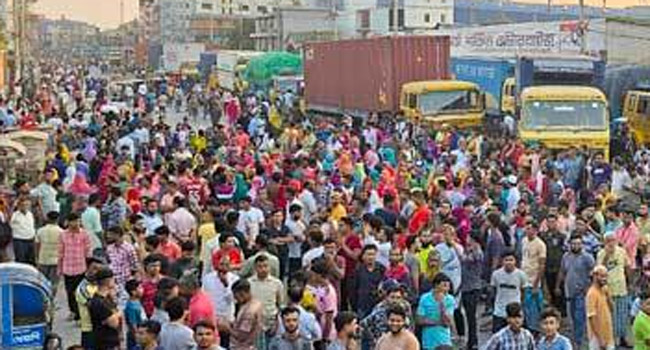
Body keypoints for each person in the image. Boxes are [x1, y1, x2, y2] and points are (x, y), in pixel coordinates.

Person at [556, 234, 595, 349]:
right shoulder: (566, 256)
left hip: (581, 292)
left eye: (578, 243)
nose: (576, 246)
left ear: (582, 244)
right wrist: (558, 286)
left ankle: (578, 342)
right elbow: (562, 271)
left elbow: (594, 273)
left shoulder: (587, 257)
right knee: (572, 317)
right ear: (570, 244)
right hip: (569, 291)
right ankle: (576, 337)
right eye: (573, 243)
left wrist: (589, 288)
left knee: (579, 317)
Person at [596, 232, 631, 347]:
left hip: (621, 287)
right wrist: (607, 255)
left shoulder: (622, 251)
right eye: (608, 240)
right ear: (605, 242)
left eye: (613, 240)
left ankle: (623, 338)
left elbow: (627, 266)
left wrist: (629, 282)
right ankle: (612, 339)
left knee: (623, 314)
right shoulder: (601, 253)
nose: (611, 243)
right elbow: (599, 270)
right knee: (610, 316)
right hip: (607, 289)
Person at [59, 212, 92, 321]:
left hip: (81, 268)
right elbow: (61, 252)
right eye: (73, 221)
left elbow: (88, 252)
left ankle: (80, 315)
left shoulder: (84, 234)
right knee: (69, 292)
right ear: (68, 222)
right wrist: (59, 268)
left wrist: (89, 268)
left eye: (77, 221)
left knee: (80, 292)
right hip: (67, 268)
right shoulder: (63, 234)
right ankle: (73, 311)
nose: (75, 223)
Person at [490, 249, 528, 332]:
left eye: (511, 260)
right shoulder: (496, 274)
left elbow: (523, 291)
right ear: (502, 261)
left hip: (515, 312)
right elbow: (493, 290)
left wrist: (519, 304)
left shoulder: (521, 275)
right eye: (506, 260)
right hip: (499, 311)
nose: (509, 262)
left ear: (515, 261)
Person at [520, 218, 546, 333]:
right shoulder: (524, 240)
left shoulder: (540, 245)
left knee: (535, 307)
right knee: (525, 306)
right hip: (524, 278)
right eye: (527, 228)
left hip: (533, 280)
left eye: (530, 229)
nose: (527, 230)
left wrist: (536, 284)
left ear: (536, 230)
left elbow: (541, 265)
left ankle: (535, 329)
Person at [416, 273, 455, 350]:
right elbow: (419, 320)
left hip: (444, 340)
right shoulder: (424, 298)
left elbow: (447, 323)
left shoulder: (450, 299)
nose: (447, 289)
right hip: (428, 341)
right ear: (436, 285)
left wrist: (442, 305)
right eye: (444, 286)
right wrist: (438, 322)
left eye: (448, 286)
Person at [249, 254, 284, 337]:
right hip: (254, 324)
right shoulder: (249, 283)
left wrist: (277, 324)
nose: (263, 269)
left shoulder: (277, 283)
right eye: (260, 267)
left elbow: (280, 305)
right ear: (255, 268)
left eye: (266, 266)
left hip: (271, 323)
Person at [88, 267, 123, 350]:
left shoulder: (108, 298)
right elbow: (114, 323)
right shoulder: (98, 302)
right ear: (108, 281)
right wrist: (118, 313)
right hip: (105, 343)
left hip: (113, 340)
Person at [230, 279, 264, 350]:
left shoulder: (250, 312)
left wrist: (227, 328)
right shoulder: (256, 302)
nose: (235, 299)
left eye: (236, 296)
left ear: (242, 293)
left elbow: (242, 336)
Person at [586, 265, 615, 350]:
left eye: (606, 276)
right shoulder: (591, 294)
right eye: (602, 276)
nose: (604, 279)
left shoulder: (604, 290)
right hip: (597, 338)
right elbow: (592, 318)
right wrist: (600, 339)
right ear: (595, 276)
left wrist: (608, 296)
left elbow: (612, 309)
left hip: (608, 334)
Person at [35, 211, 63, 294]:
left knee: (42, 282)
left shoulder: (40, 231)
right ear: (57, 219)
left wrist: (37, 258)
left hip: (43, 259)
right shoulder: (61, 232)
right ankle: (51, 301)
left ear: (47, 219)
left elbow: (37, 245)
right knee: (54, 283)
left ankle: (43, 300)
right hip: (56, 260)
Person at [10, 197, 36, 264]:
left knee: (31, 260)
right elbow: (9, 221)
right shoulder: (14, 215)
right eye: (23, 205)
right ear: (19, 206)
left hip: (30, 240)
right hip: (20, 240)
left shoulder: (30, 214)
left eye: (27, 205)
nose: (25, 207)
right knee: (21, 260)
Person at [124, 279, 147, 350]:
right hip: (135, 336)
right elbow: (133, 324)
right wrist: (137, 338)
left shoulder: (137, 301)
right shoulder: (131, 306)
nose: (142, 289)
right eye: (140, 288)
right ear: (133, 292)